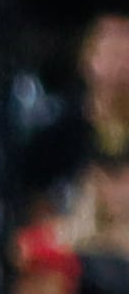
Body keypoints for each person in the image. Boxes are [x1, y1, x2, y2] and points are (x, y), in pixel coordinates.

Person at [9, 12, 129, 210]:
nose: (122, 64)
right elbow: (31, 207)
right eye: (113, 52)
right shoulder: (57, 138)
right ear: (87, 60)